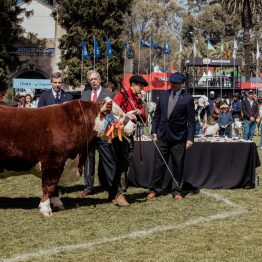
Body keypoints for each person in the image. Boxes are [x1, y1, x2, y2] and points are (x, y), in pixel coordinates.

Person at [80, 70, 129, 207]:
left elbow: (114, 114)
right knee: (88, 161)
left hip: (104, 134)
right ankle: (88, 187)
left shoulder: (109, 94)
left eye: (95, 79)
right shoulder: (84, 95)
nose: (93, 81)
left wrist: (111, 134)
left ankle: (114, 190)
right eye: (91, 80)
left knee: (108, 161)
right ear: (89, 82)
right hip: (89, 134)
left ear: (100, 80)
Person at [147, 72, 195, 200]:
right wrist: (154, 131)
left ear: (182, 84)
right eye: (171, 83)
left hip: (179, 138)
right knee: (159, 165)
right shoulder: (163, 95)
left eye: (176, 83)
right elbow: (156, 116)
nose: (173, 85)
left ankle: (177, 191)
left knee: (178, 165)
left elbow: (191, 121)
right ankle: (155, 189)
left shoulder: (188, 98)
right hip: (162, 136)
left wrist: (190, 138)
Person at [37, 72, 73, 203]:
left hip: (62, 137)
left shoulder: (68, 96)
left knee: (61, 163)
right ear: (51, 83)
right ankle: (50, 190)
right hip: (47, 136)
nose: (57, 85)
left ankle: (58, 189)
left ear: (62, 83)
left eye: (59, 82)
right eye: (55, 82)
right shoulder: (44, 96)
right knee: (50, 164)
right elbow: (39, 115)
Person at [113, 75, 148, 196]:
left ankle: (122, 185)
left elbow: (144, 118)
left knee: (128, 158)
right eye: (140, 85)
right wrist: (127, 116)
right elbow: (113, 113)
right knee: (122, 160)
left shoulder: (137, 99)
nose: (142, 88)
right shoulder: (122, 96)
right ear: (133, 84)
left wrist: (140, 111)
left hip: (130, 133)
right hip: (120, 133)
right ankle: (120, 187)